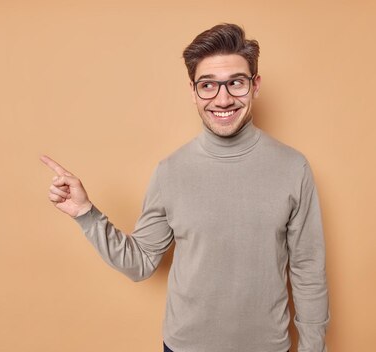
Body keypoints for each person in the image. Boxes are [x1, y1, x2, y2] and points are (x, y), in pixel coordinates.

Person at [40, 23, 329, 352]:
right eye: (208, 85)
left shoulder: (293, 168)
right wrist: (85, 214)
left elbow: (308, 269)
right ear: (193, 92)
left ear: (255, 86)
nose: (223, 98)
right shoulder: (170, 172)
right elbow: (141, 262)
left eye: (235, 82)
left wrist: (313, 347)